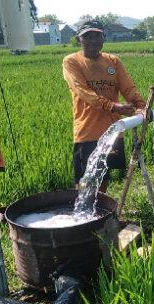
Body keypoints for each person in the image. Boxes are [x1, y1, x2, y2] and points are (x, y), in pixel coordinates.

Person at [62, 20, 146, 191]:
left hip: (112, 130)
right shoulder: (72, 61)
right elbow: (83, 91)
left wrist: (140, 105)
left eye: (97, 36)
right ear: (79, 39)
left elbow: (127, 86)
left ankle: (100, 210)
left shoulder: (113, 61)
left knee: (104, 175)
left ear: (104, 38)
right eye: (88, 36)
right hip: (87, 130)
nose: (93, 40)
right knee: (84, 180)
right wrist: (113, 106)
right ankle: (85, 214)